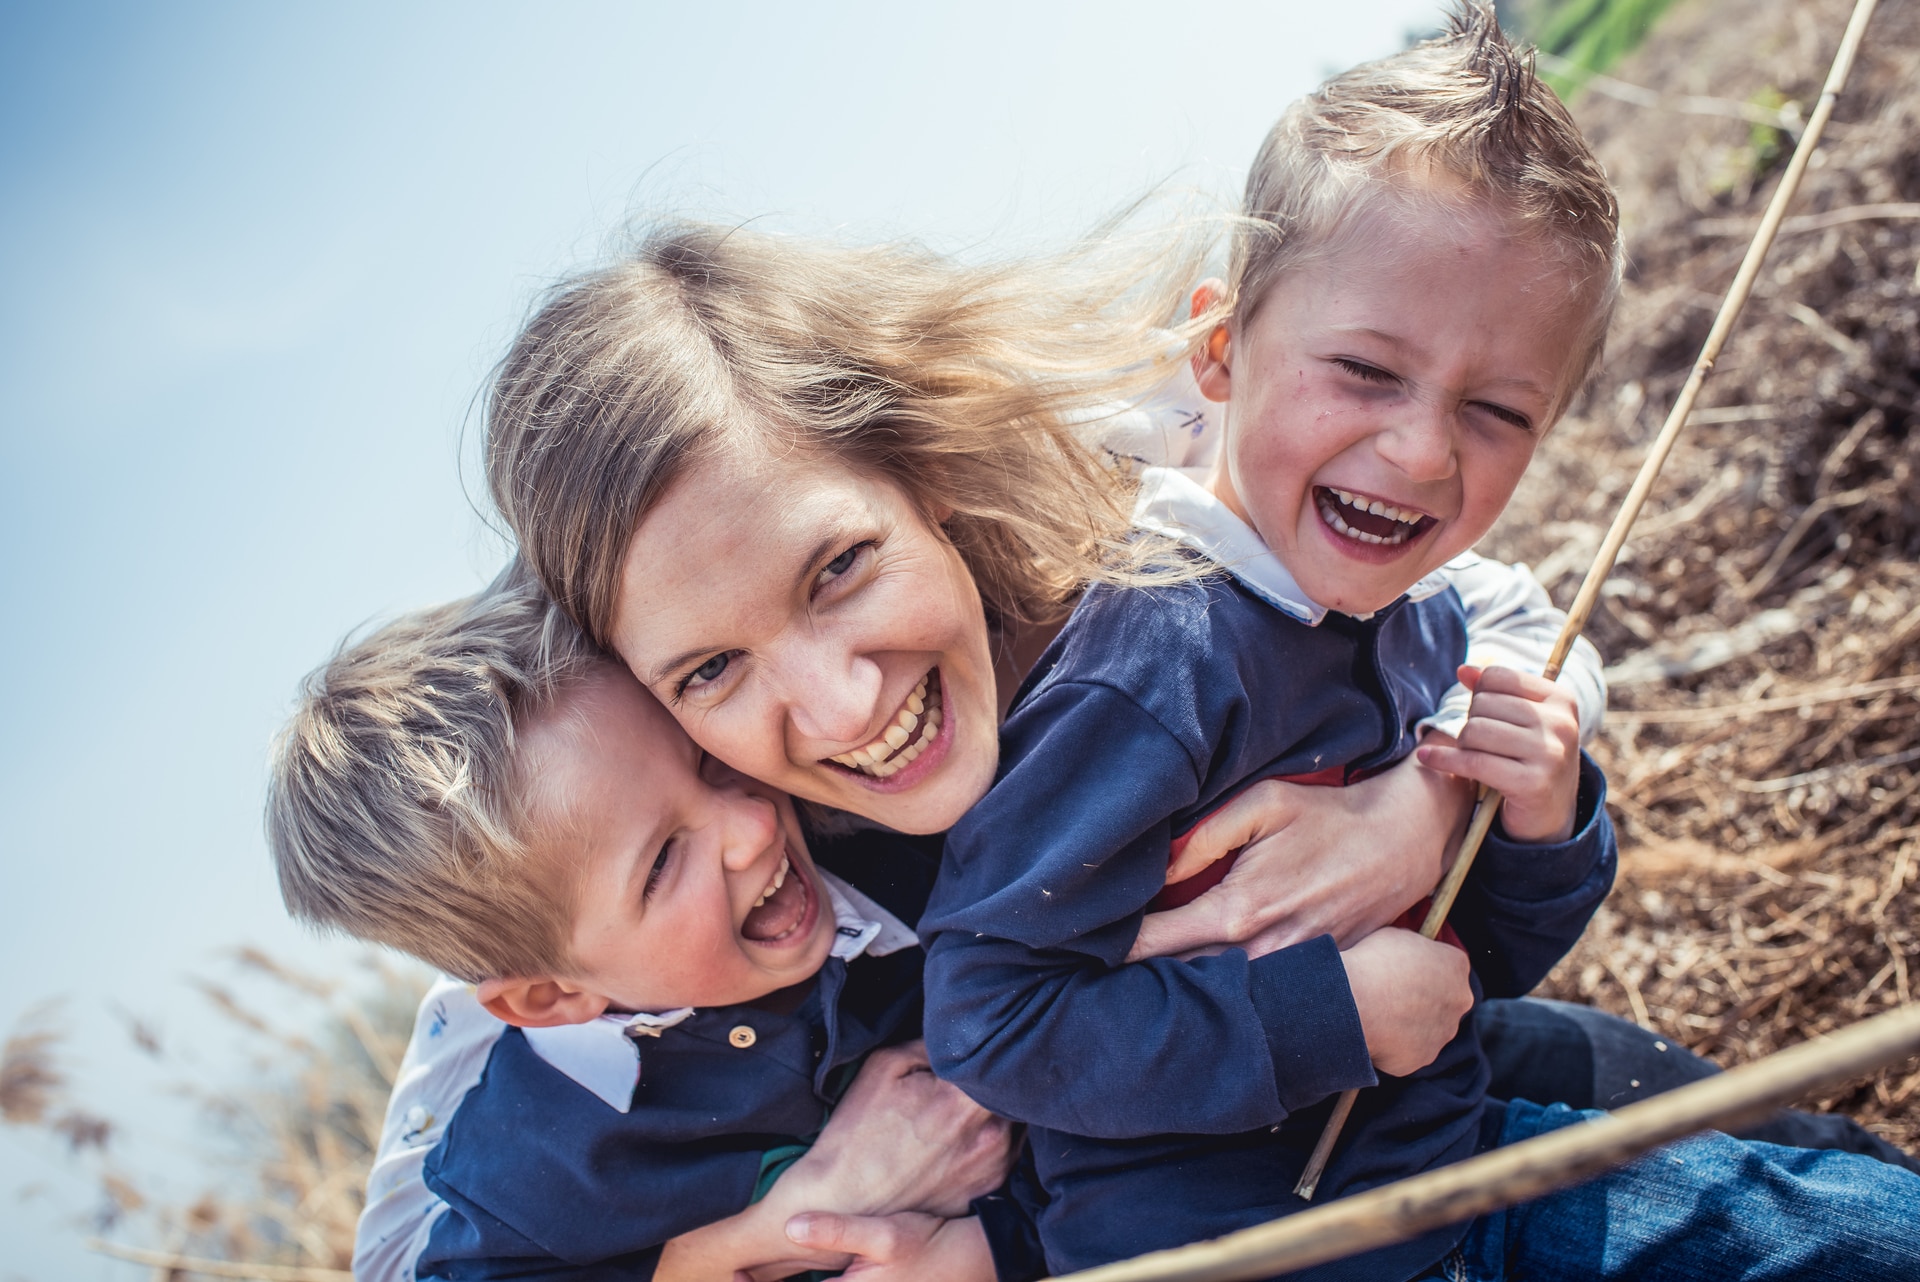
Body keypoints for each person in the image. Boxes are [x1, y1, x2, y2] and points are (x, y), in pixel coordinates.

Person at [912, 7, 1920, 1280]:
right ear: (1220, 348)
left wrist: (1544, 820)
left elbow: (1473, 963)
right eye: (1368, 372)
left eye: (1496, 411)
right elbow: (994, 1019)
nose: (1423, 451)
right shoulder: (1148, 658)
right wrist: (1323, 1016)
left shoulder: (1426, 624)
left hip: (1465, 1170)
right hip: (1256, 1247)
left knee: (1859, 1235)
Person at [267, 567, 1029, 1282]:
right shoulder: (536, 1158)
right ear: (548, 999)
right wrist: (768, 1239)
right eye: (663, 862)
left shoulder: (878, 842)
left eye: (708, 764)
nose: (752, 825)